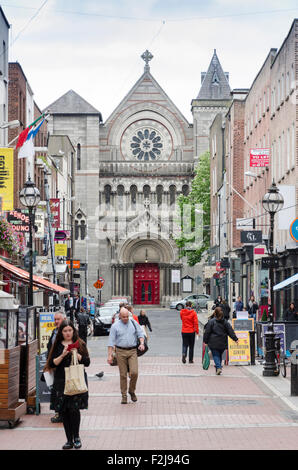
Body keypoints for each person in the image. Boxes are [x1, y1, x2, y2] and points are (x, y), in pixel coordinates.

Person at [45, 319, 90, 450]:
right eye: (65, 331)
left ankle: (77, 437)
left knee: (74, 410)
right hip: (61, 381)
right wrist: (63, 354)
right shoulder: (57, 345)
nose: (68, 333)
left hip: (76, 380)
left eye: (70, 330)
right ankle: (69, 440)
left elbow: (87, 362)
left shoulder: (80, 343)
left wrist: (77, 354)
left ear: (73, 330)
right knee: (64, 410)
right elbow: (52, 363)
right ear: (61, 332)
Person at [107, 308, 145, 404]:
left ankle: (131, 391)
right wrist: (110, 355)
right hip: (120, 351)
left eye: (127, 316)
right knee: (123, 375)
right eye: (123, 317)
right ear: (120, 316)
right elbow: (111, 342)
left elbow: (140, 333)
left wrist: (142, 343)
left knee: (134, 373)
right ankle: (124, 395)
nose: (126, 318)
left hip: (132, 351)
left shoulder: (133, 323)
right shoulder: (115, 326)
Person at [203, 307, 238, 375]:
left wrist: (205, 341)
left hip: (213, 342)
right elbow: (230, 331)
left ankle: (218, 367)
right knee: (219, 355)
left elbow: (207, 332)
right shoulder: (225, 322)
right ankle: (217, 368)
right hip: (223, 342)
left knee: (216, 355)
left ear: (215, 313)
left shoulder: (211, 322)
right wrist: (235, 339)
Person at [46, 312, 65, 424]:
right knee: (56, 390)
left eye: (59, 319)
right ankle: (59, 412)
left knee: (62, 391)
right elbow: (50, 347)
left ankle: (62, 413)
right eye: (55, 319)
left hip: (63, 367)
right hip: (54, 365)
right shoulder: (54, 331)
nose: (56, 321)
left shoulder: (66, 331)